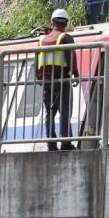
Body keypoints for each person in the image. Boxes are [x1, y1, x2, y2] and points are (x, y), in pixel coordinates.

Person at [36, 9, 79, 151]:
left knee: (50, 112)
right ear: (65, 23)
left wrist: (39, 76)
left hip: (47, 81)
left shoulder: (42, 40)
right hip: (62, 80)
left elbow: (37, 60)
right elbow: (71, 58)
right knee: (64, 112)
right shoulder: (66, 38)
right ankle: (66, 143)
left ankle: (51, 143)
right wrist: (76, 74)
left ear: (51, 21)